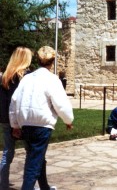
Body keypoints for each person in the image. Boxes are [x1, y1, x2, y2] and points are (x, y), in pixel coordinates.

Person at [9, 46, 74, 190]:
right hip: (42, 126)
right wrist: (68, 120)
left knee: (37, 157)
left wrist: (15, 125)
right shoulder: (52, 79)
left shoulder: (27, 78)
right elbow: (61, 104)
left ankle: (44, 186)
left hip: (26, 123)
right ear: (52, 61)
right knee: (34, 161)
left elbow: (14, 101)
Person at [0, 47, 32, 190]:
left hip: (6, 118)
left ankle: (3, 184)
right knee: (30, 152)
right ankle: (28, 184)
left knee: (8, 152)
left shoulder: (5, 75)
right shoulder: (25, 76)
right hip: (21, 119)